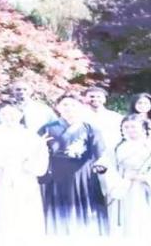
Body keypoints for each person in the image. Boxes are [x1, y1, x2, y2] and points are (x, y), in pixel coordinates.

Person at [38, 94, 110, 236]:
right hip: (56, 173)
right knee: (58, 208)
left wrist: (100, 165)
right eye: (65, 105)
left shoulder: (90, 128)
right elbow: (36, 151)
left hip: (83, 173)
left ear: (80, 107)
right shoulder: (47, 128)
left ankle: (87, 234)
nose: (69, 108)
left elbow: (100, 153)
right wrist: (39, 146)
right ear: (57, 107)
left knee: (86, 205)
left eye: (73, 105)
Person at [0, 102, 48, 235]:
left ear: (21, 114)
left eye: (12, 113)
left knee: (23, 212)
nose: (8, 117)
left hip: (23, 177)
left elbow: (40, 159)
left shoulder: (31, 135)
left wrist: (26, 163)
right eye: (4, 114)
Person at [104, 114, 151, 237]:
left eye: (133, 127)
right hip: (122, 185)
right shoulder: (116, 147)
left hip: (143, 187)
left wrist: (144, 178)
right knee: (123, 217)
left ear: (143, 128)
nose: (130, 130)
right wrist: (119, 179)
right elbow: (109, 167)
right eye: (126, 127)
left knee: (144, 218)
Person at [83, 86, 123, 153]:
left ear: (104, 99)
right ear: (85, 98)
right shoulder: (78, 116)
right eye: (92, 96)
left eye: (99, 97)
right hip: (85, 154)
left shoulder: (116, 117)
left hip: (110, 153)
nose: (95, 99)